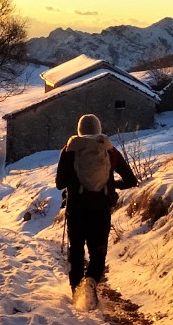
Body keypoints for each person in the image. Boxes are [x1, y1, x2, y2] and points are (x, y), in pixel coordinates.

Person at [55, 113, 139, 308]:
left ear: (80, 130)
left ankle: (77, 293)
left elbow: (60, 184)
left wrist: (75, 182)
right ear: (98, 128)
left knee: (76, 251)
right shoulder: (109, 150)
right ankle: (91, 282)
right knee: (97, 253)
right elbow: (131, 180)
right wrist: (110, 185)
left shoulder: (69, 149)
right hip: (100, 210)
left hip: (76, 209)